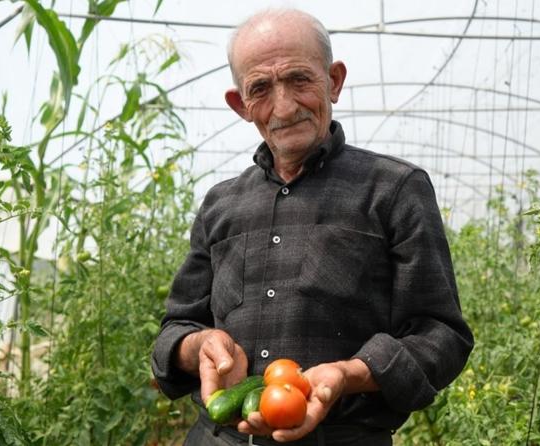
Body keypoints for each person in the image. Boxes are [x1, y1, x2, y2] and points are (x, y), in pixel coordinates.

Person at [152, 8, 474, 446]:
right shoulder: (221, 203)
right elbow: (175, 328)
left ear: (334, 81)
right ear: (240, 104)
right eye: (260, 88)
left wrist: (348, 374)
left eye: (300, 80)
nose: (284, 107)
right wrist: (199, 346)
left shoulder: (394, 190)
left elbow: (442, 335)